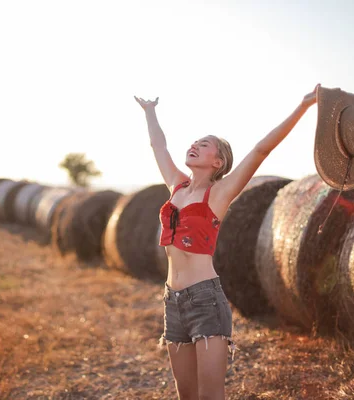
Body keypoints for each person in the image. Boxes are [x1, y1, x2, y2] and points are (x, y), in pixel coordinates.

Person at [134, 84, 319, 400]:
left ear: (217, 162)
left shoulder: (218, 194)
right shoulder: (177, 188)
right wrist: (151, 112)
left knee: (210, 395)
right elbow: (158, 147)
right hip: (172, 301)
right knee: (186, 394)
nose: (194, 144)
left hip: (205, 301)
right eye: (194, 141)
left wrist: (303, 107)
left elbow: (262, 149)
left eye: (203, 144)